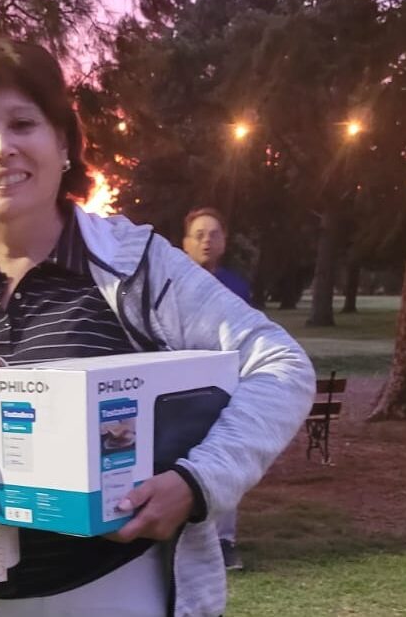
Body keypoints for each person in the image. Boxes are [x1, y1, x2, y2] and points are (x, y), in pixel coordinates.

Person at [0, 35, 314, 617]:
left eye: (23, 124)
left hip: (115, 594)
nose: (1, 149)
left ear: (63, 141)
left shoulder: (139, 267)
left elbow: (281, 365)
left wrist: (197, 483)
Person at [182, 207, 251, 572]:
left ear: (224, 242)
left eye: (214, 234)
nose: (206, 241)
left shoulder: (236, 288)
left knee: (224, 460)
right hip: (180, 388)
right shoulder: (171, 284)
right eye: (199, 235)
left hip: (224, 386)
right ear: (185, 244)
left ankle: (224, 540)